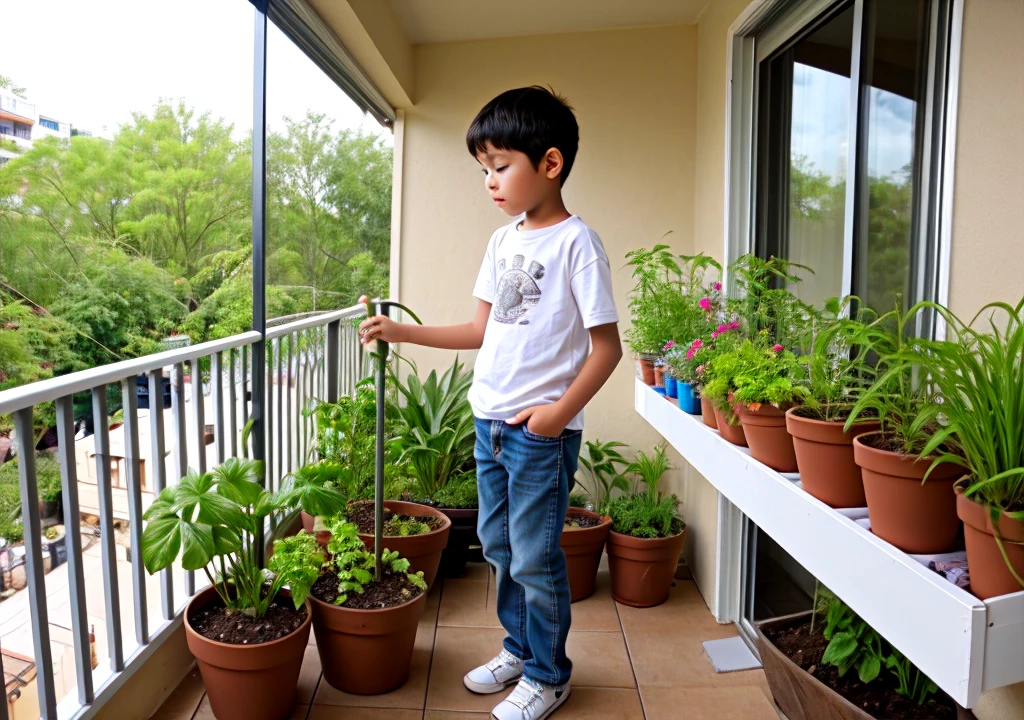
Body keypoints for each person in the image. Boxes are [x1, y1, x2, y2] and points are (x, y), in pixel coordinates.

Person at [359, 86, 621, 720]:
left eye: (500, 166)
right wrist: (402, 330)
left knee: (535, 558)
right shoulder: (503, 243)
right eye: (484, 169)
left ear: (550, 163)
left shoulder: (576, 244)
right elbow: (480, 331)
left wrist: (557, 414)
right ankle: (519, 650)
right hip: (489, 423)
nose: (490, 181)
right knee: (500, 550)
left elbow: (607, 348)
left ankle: (548, 674)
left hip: (538, 434)